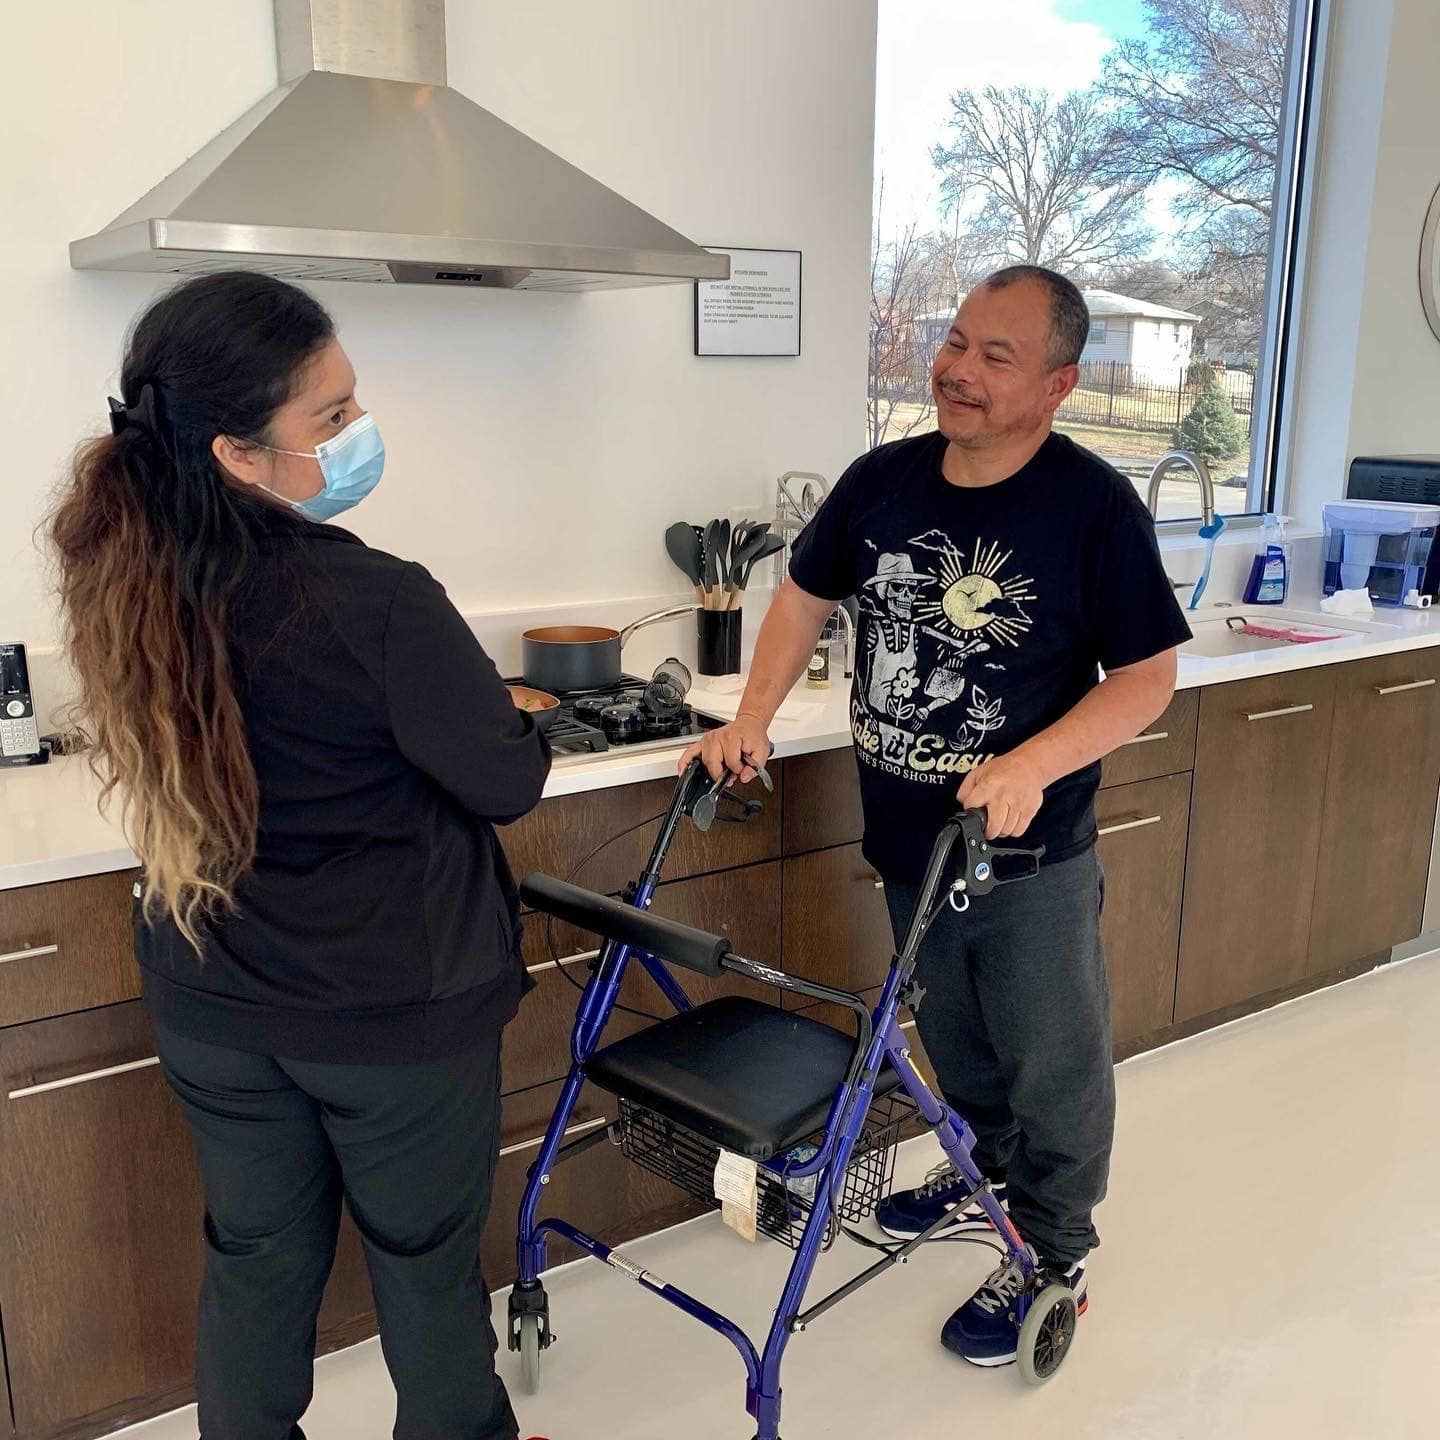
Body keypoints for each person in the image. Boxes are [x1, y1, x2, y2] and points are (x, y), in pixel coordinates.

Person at [48, 271, 551, 1440]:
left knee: (257, 1260)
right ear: (235, 451)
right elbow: (507, 779)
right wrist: (506, 713)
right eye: (331, 418)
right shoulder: (377, 601)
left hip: (214, 1009)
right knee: (424, 1270)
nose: (357, 432)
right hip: (388, 1015)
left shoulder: (128, 575)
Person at [684, 265, 1190, 1368]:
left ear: (1057, 384)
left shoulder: (1091, 507)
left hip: (1028, 858)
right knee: (957, 1043)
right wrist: (749, 719)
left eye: (994, 356)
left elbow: (1147, 675)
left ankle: (1053, 1252)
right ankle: (990, 1187)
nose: (956, 370)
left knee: (1051, 1059)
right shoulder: (883, 481)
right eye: (956, 341)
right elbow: (802, 599)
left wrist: (1032, 763)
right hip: (910, 845)